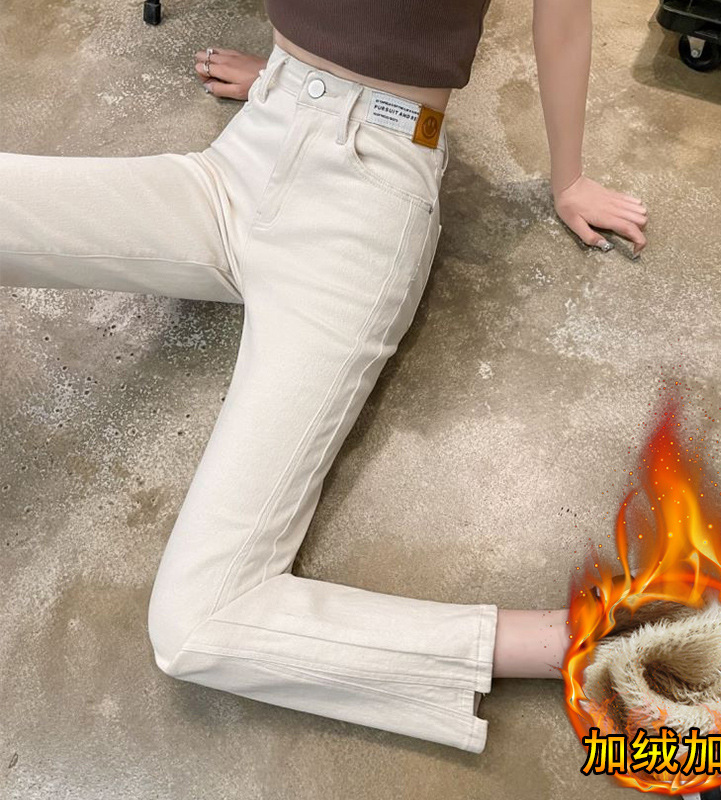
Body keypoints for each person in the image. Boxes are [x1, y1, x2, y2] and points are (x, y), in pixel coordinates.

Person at [1, 0, 647, 754]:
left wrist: (568, 180)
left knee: (197, 623)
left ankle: (581, 639)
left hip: (361, 208)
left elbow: (562, 20)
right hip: (248, 150)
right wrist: (285, 70)